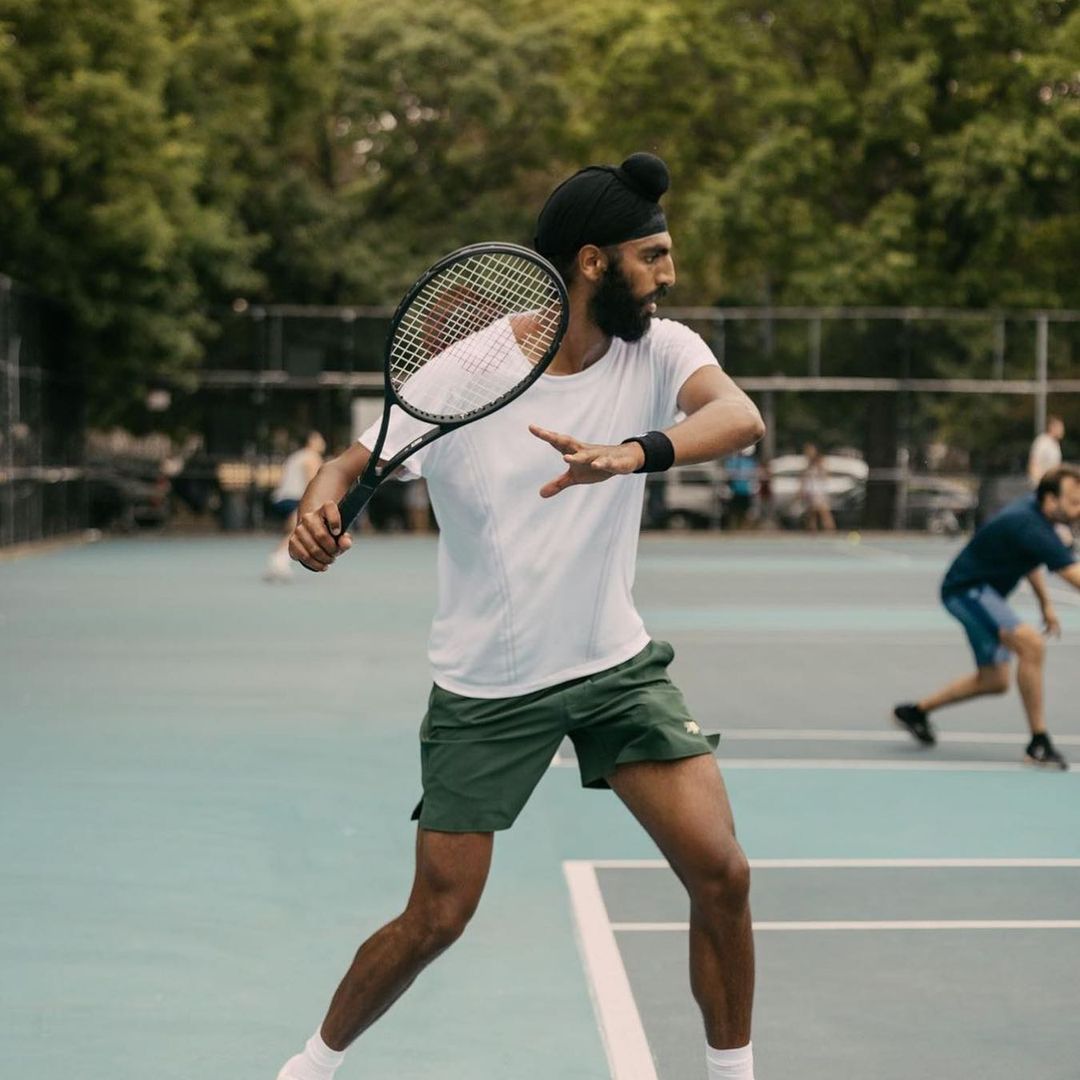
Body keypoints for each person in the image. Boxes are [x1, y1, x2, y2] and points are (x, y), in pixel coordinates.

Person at [278, 152, 765, 1080]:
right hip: (489, 688)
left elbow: (738, 418)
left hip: (614, 667)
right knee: (438, 916)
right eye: (653, 256)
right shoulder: (468, 371)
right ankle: (306, 1068)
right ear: (592, 262)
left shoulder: (661, 347)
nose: (669, 274)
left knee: (723, 873)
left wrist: (631, 452)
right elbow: (348, 465)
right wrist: (316, 508)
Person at [893, 465, 1080, 770]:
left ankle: (916, 712)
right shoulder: (1030, 525)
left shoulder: (1035, 518)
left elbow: (1030, 560)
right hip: (966, 591)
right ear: (1050, 500)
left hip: (981, 592)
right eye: (1074, 502)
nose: (1079, 509)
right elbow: (1074, 576)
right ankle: (1039, 743)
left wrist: (1045, 603)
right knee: (1031, 644)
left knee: (995, 681)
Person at [264, 432, 325, 581]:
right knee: (299, 530)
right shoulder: (312, 456)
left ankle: (278, 560)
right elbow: (313, 483)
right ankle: (279, 561)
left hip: (281, 499)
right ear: (311, 441)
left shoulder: (297, 455)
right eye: (319, 438)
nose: (323, 441)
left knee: (294, 531)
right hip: (295, 499)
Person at [799, 442, 835, 532]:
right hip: (810, 492)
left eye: (810, 450)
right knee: (811, 514)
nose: (808, 453)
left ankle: (830, 531)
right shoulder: (808, 465)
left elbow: (825, 475)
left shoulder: (819, 461)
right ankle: (812, 532)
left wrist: (819, 468)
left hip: (819, 491)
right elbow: (804, 479)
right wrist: (802, 490)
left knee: (824, 512)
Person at [1028, 415, 1065, 486]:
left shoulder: (1055, 444)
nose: (1062, 431)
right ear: (1052, 427)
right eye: (1060, 427)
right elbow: (1033, 463)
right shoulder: (1042, 441)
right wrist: (1037, 483)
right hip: (1041, 485)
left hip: (1051, 484)